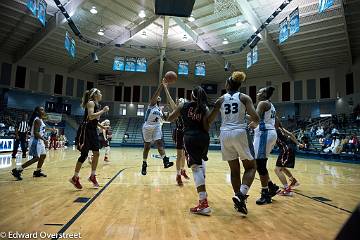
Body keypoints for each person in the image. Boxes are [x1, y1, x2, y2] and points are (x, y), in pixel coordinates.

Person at [208, 71, 259, 215]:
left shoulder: (220, 100)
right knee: (251, 167)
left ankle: (239, 200)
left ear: (227, 85)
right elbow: (256, 118)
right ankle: (242, 194)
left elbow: (209, 120)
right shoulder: (244, 97)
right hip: (240, 132)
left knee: (234, 170)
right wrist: (247, 118)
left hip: (224, 134)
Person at [166, 86, 211, 216]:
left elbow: (169, 118)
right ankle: (203, 190)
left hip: (190, 137)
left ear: (191, 95)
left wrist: (164, 115)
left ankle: (203, 203)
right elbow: (207, 127)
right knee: (201, 162)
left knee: (195, 167)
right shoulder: (204, 108)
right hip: (204, 138)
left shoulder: (183, 106)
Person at [70, 88, 109, 189]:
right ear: (95, 94)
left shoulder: (97, 105)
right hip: (85, 130)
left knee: (96, 153)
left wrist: (102, 127)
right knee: (84, 155)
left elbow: (94, 120)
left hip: (92, 130)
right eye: (99, 92)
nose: (101, 94)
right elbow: (91, 116)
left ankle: (92, 176)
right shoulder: (91, 103)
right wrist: (103, 111)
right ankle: (75, 177)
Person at [251, 87, 280, 205]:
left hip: (264, 134)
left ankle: (265, 194)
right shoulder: (271, 105)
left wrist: (240, 115)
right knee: (260, 164)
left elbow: (255, 118)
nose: (257, 93)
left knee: (260, 164)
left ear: (263, 94)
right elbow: (277, 124)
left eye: (259, 91)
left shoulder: (262, 103)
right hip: (269, 132)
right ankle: (271, 186)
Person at [141, 83, 173, 176]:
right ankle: (144, 163)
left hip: (157, 126)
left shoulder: (159, 110)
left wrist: (167, 115)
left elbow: (165, 119)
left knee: (159, 142)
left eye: (159, 97)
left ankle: (165, 161)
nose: (158, 97)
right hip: (147, 126)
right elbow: (155, 94)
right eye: (157, 97)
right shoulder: (151, 105)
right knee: (147, 146)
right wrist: (161, 86)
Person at [163, 82, 190, 186]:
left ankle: (182, 170)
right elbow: (170, 99)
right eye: (178, 101)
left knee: (184, 155)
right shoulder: (177, 110)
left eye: (180, 100)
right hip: (179, 133)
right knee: (180, 155)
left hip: (187, 134)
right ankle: (178, 175)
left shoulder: (188, 110)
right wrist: (166, 88)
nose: (178, 101)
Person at [11, 107, 49, 180]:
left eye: (44, 109)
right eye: (41, 109)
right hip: (35, 140)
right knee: (36, 158)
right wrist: (44, 139)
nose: (43, 111)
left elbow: (41, 130)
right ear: (37, 112)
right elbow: (36, 133)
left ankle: (37, 171)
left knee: (43, 155)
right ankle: (17, 170)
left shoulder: (40, 120)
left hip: (40, 141)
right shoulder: (37, 120)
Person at [274, 121, 302, 196]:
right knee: (282, 168)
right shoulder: (281, 128)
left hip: (285, 149)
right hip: (289, 148)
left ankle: (287, 190)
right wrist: (298, 143)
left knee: (277, 170)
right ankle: (294, 181)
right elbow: (291, 134)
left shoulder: (273, 129)